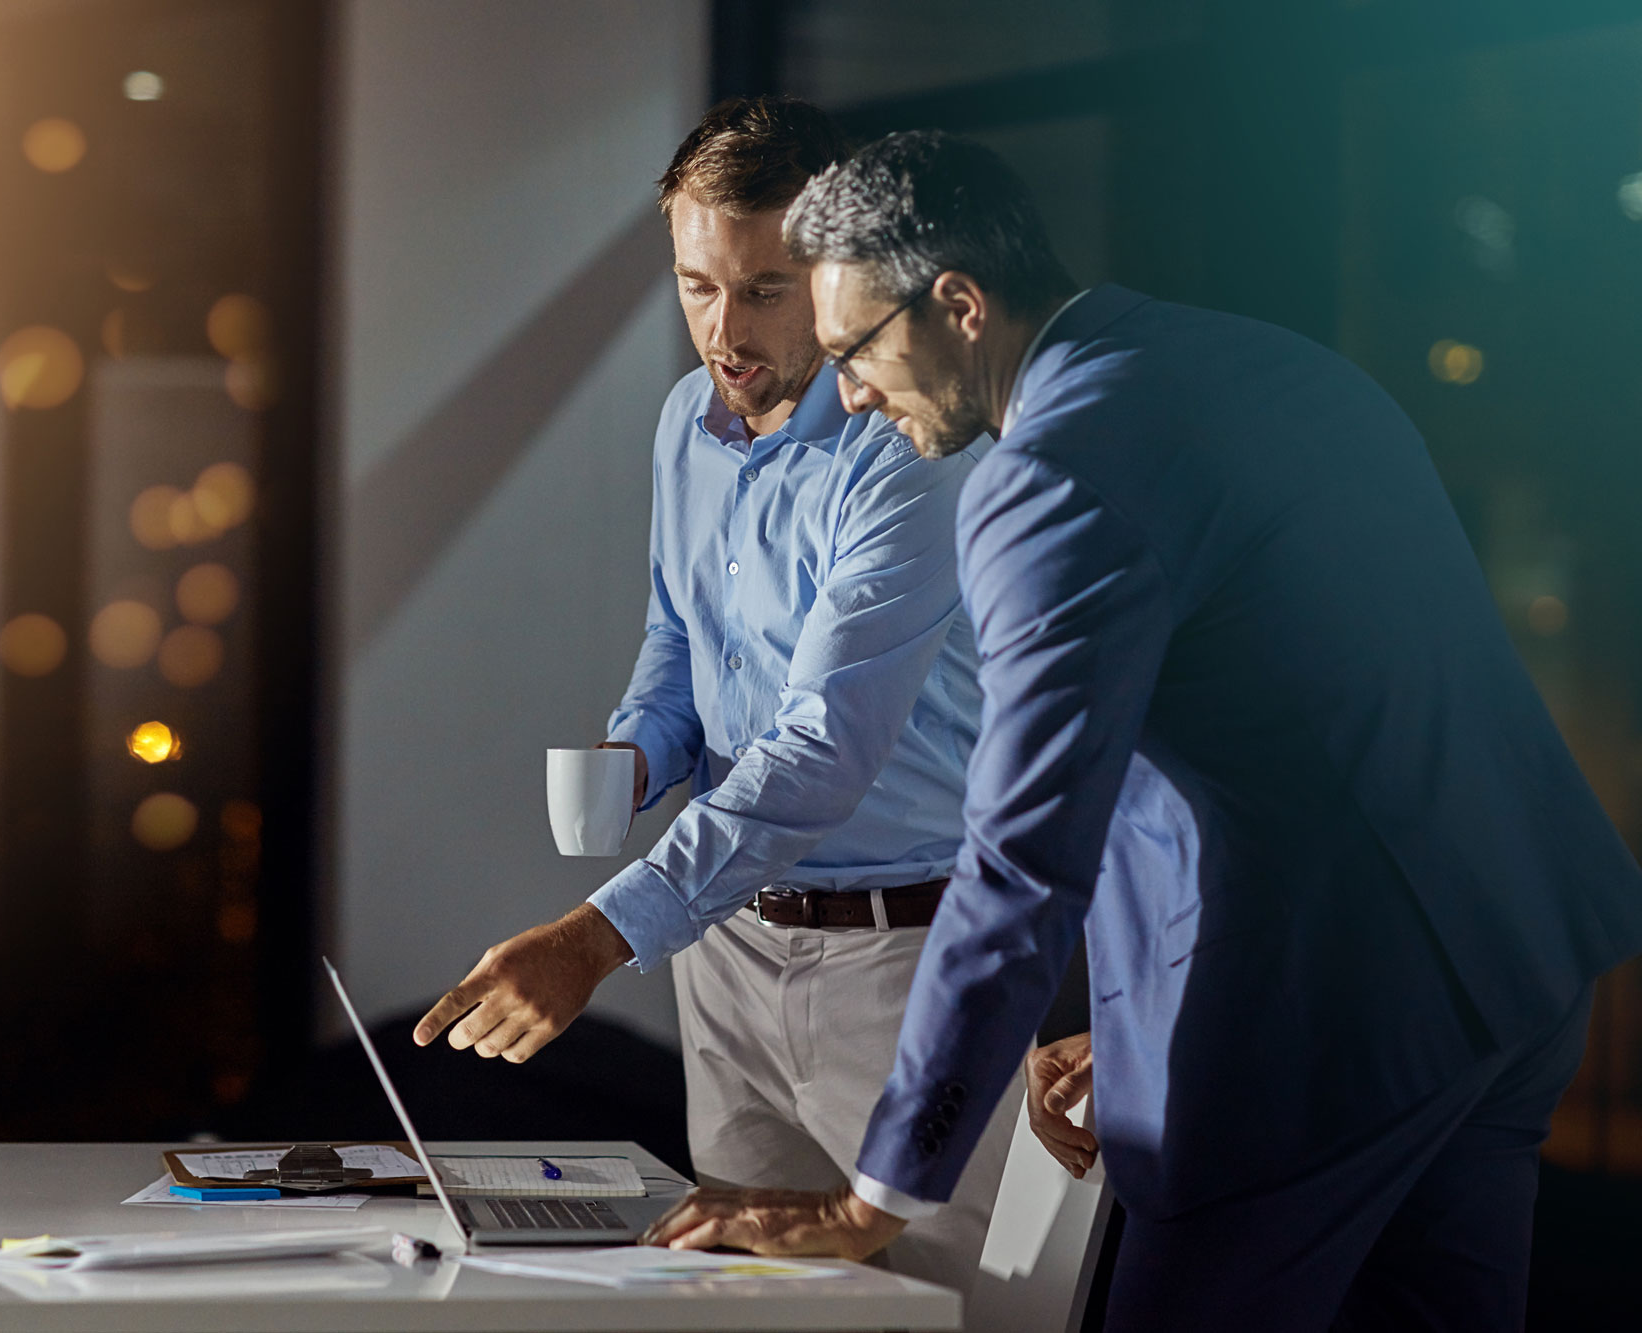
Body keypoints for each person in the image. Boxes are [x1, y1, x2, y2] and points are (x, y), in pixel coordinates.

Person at [641, 130, 1642, 1332]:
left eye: (853, 348)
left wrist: (870, 1201)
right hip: (1517, 956)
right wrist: (1129, 1023)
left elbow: (1023, 858)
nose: (846, 391)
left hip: (1314, 1025)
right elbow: (1296, 718)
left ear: (957, 303)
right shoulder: (1265, 365)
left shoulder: (1046, 479)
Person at [412, 100, 1024, 1321]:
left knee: (951, 1307)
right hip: (729, 947)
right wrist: (641, 752)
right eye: (697, 285)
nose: (721, 330)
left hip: (901, 959)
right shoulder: (676, 426)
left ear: (839, 277)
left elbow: (820, 744)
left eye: (763, 291)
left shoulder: (906, 445)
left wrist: (594, 935)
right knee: (747, 1298)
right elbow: (678, 637)